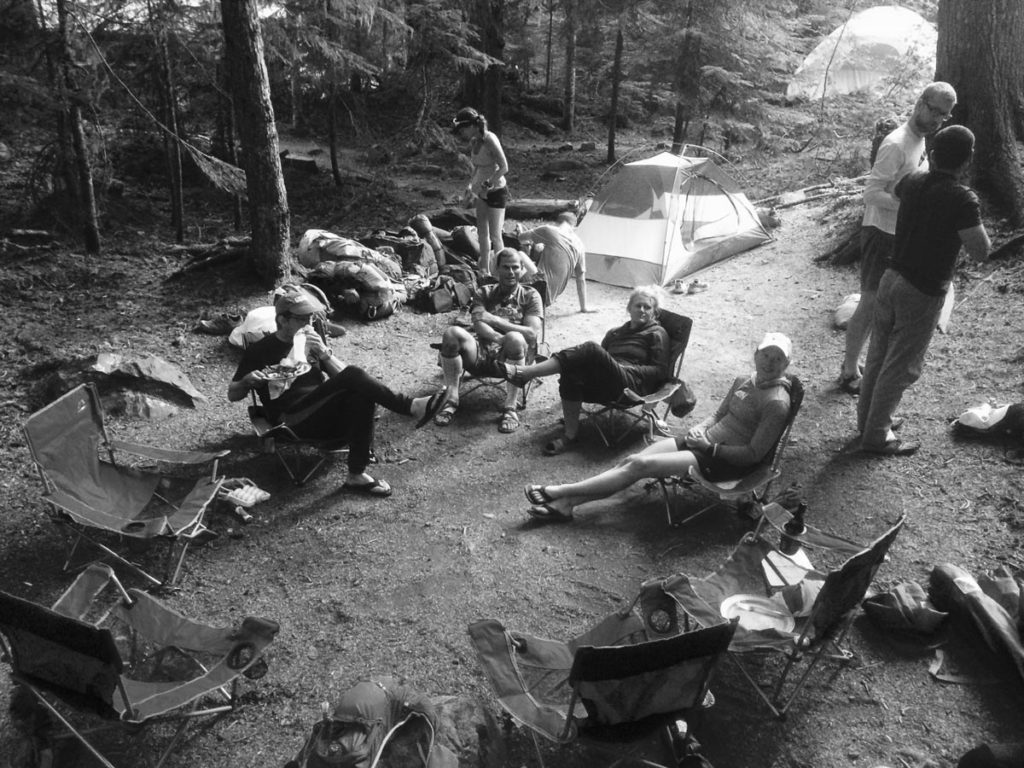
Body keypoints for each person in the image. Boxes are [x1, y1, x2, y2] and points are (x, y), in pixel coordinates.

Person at [523, 333, 793, 522]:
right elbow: (719, 414)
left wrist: (709, 447)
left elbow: (754, 455)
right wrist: (699, 429)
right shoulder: (744, 380)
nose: (770, 362)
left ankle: (560, 491)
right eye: (766, 354)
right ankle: (567, 506)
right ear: (756, 354)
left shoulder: (776, 402)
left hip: (722, 461)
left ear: (786, 365)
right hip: (702, 442)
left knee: (637, 467)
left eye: (778, 359)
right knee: (632, 461)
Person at [228, 285, 444, 497]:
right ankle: (408, 406)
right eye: (302, 319)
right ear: (283, 320)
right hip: (291, 419)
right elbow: (233, 394)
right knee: (354, 375)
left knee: (360, 393)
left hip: (322, 414)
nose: (308, 323)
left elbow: (343, 377)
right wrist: (247, 381)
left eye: (311, 318)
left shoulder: (308, 342)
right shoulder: (260, 350)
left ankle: (356, 474)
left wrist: (324, 355)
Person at [856, 125, 990, 456]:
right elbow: (981, 250)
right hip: (923, 290)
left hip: (891, 277)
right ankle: (876, 435)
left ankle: (869, 421)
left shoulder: (913, 180)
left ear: (932, 153)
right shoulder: (962, 198)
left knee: (878, 355)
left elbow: (901, 192)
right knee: (900, 365)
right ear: (968, 159)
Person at [838, 82, 957, 395]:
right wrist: (910, 204)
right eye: (934, 111)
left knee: (882, 304)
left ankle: (858, 365)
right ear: (920, 103)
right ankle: (849, 370)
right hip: (879, 232)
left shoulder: (920, 141)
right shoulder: (896, 143)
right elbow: (871, 193)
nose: (937, 120)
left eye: (944, 117)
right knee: (870, 301)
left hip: (898, 234)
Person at [501, 285, 671, 455]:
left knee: (591, 348)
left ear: (654, 312)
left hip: (632, 386)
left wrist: (628, 369)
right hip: (609, 385)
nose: (642, 310)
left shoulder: (657, 333)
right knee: (572, 372)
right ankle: (570, 436)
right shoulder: (615, 333)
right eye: (638, 305)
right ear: (629, 308)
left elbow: (660, 371)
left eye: (647, 307)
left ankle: (525, 373)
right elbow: (600, 361)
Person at [433, 248, 544, 433]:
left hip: (517, 355)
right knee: (452, 333)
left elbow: (531, 334)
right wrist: (500, 338)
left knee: (516, 339)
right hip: (483, 349)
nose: (510, 272)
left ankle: (510, 407)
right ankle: (452, 398)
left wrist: (495, 320)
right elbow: (478, 324)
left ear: (522, 269)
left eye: (515, 267)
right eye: (505, 267)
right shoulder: (484, 291)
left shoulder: (530, 295)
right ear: (497, 269)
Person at [452, 107, 510, 277]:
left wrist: (489, 182)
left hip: (496, 191)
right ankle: (484, 270)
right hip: (481, 192)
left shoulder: (490, 139)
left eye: (463, 129)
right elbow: (477, 166)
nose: (461, 133)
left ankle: (502, 271)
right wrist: (471, 185)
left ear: (472, 126)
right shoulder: (474, 141)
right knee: (482, 233)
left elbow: (504, 167)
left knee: (495, 235)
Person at [514, 211, 593, 311]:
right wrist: (584, 307)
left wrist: (532, 245)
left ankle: (496, 286)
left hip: (536, 290)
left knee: (517, 254)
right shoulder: (580, 245)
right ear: (574, 227)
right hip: (547, 300)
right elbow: (581, 279)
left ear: (557, 222)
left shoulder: (549, 230)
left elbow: (521, 238)